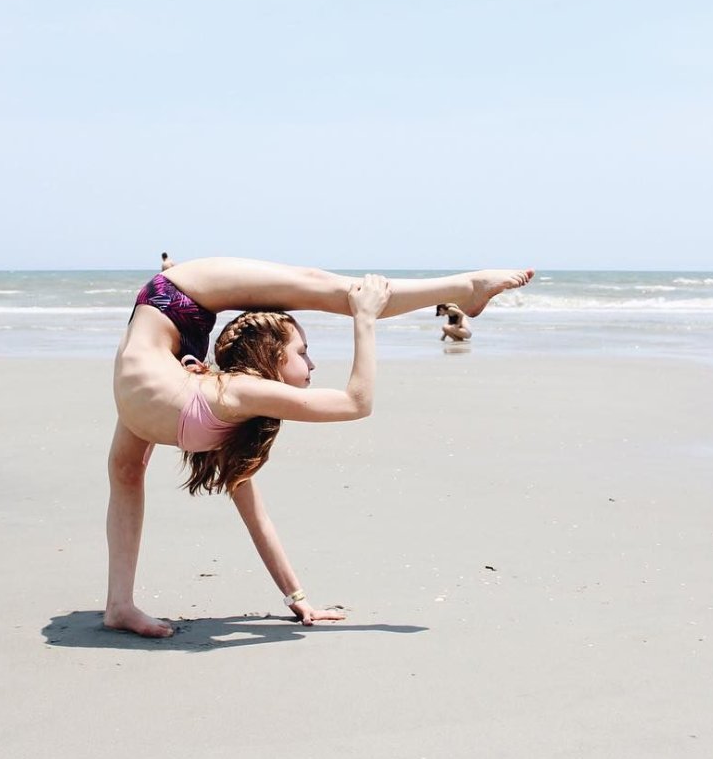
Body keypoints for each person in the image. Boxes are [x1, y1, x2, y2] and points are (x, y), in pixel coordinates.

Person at [105, 258, 534, 637]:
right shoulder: (234, 393)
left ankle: (118, 605)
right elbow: (356, 402)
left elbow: (258, 520)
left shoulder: (232, 405)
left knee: (126, 473)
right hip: (180, 297)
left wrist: (297, 598)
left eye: (305, 351)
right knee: (333, 289)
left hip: (169, 335)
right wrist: (363, 320)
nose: (312, 363)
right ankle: (465, 287)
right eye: (303, 351)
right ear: (269, 358)